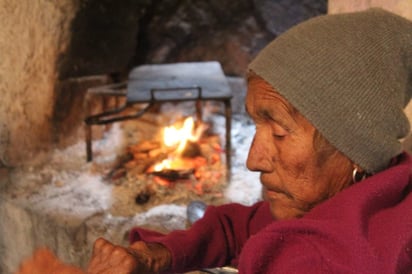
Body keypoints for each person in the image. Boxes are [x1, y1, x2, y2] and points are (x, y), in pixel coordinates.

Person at [15, 7, 412, 274]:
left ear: (352, 142)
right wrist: (160, 254)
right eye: (255, 125)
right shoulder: (382, 184)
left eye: (277, 131)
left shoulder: (319, 258)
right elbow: (246, 224)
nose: (253, 159)